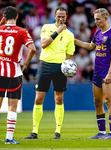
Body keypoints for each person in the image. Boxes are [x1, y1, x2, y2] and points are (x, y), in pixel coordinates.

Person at [0, 6, 36, 144]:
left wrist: (3, 20)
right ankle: (9, 138)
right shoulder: (22, 31)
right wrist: (25, 63)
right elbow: (33, 49)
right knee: (12, 107)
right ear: (17, 17)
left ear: (4, 17)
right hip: (15, 73)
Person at [25, 6, 75, 139]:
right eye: (59, 16)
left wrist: (72, 69)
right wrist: (58, 31)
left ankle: (57, 132)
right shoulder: (46, 27)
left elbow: (70, 56)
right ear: (54, 16)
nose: (61, 18)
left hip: (60, 67)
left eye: (63, 16)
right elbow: (44, 44)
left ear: (66, 17)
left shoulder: (70, 35)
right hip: (45, 65)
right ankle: (34, 131)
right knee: (38, 98)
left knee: (59, 99)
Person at [74, 8, 111, 139]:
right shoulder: (97, 33)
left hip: (107, 71)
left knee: (109, 100)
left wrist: (110, 73)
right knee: (97, 101)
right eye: (95, 19)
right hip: (97, 71)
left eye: (98, 19)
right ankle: (102, 132)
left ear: (106, 18)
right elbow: (90, 46)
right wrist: (75, 40)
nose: (96, 21)